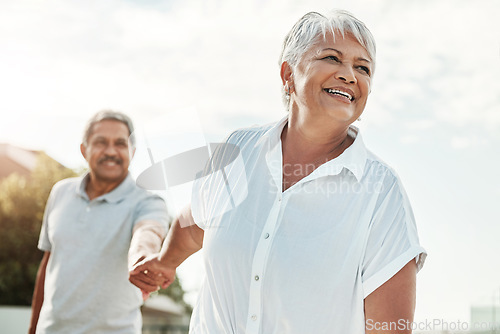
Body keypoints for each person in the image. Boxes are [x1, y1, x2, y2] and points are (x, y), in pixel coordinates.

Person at [129, 10, 427, 334]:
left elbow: (390, 328)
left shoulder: (381, 191)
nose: (349, 75)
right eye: (332, 58)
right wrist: (163, 263)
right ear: (288, 74)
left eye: (362, 67)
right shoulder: (237, 152)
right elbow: (193, 223)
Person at [29, 110, 169, 334]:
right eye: (101, 142)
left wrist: (142, 256)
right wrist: (33, 329)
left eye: (120, 143)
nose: (111, 151)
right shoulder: (60, 192)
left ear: (132, 151)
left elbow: (149, 230)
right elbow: (48, 263)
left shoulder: (148, 201)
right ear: (84, 149)